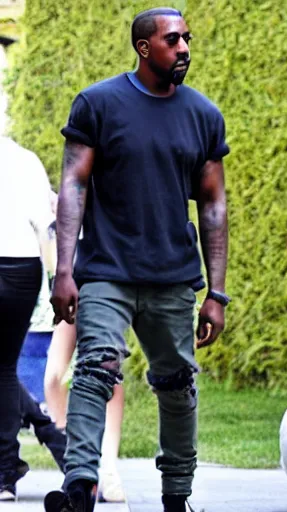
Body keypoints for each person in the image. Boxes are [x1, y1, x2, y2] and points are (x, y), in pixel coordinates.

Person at [44, 6, 231, 512]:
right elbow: (73, 185)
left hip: (173, 278)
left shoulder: (203, 115)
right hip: (107, 270)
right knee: (96, 369)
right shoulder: (98, 104)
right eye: (174, 40)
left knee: (177, 385)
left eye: (188, 38)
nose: (185, 48)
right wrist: (64, 270)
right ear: (145, 47)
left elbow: (213, 205)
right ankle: (80, 484)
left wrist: (216, 293)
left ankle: (177, 494)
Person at [0, 136, 66, 500]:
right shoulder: (25, 159)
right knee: (5, 367)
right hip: (23, 268)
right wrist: (58, 281)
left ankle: (6, 473)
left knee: (3, 369)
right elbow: (47, 227)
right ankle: (50, 440)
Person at [44, 320, 126, 502]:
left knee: (108, 369)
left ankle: (108, 470)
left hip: (105, 297)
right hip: (59, 303)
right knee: (54, 378)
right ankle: (74, 458)